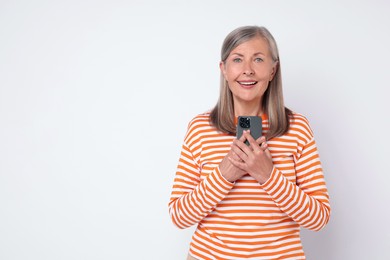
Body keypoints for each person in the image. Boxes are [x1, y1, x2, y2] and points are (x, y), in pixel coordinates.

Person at [168, 25, 331, 260]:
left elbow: (319, 219)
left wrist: (268, 175)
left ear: (273, 69)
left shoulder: (297, 128)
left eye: (258, 59)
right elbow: (179, 216)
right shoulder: (200, 128)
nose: (247, 70)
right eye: (237, 59)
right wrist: (224, 174)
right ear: (224, 69)